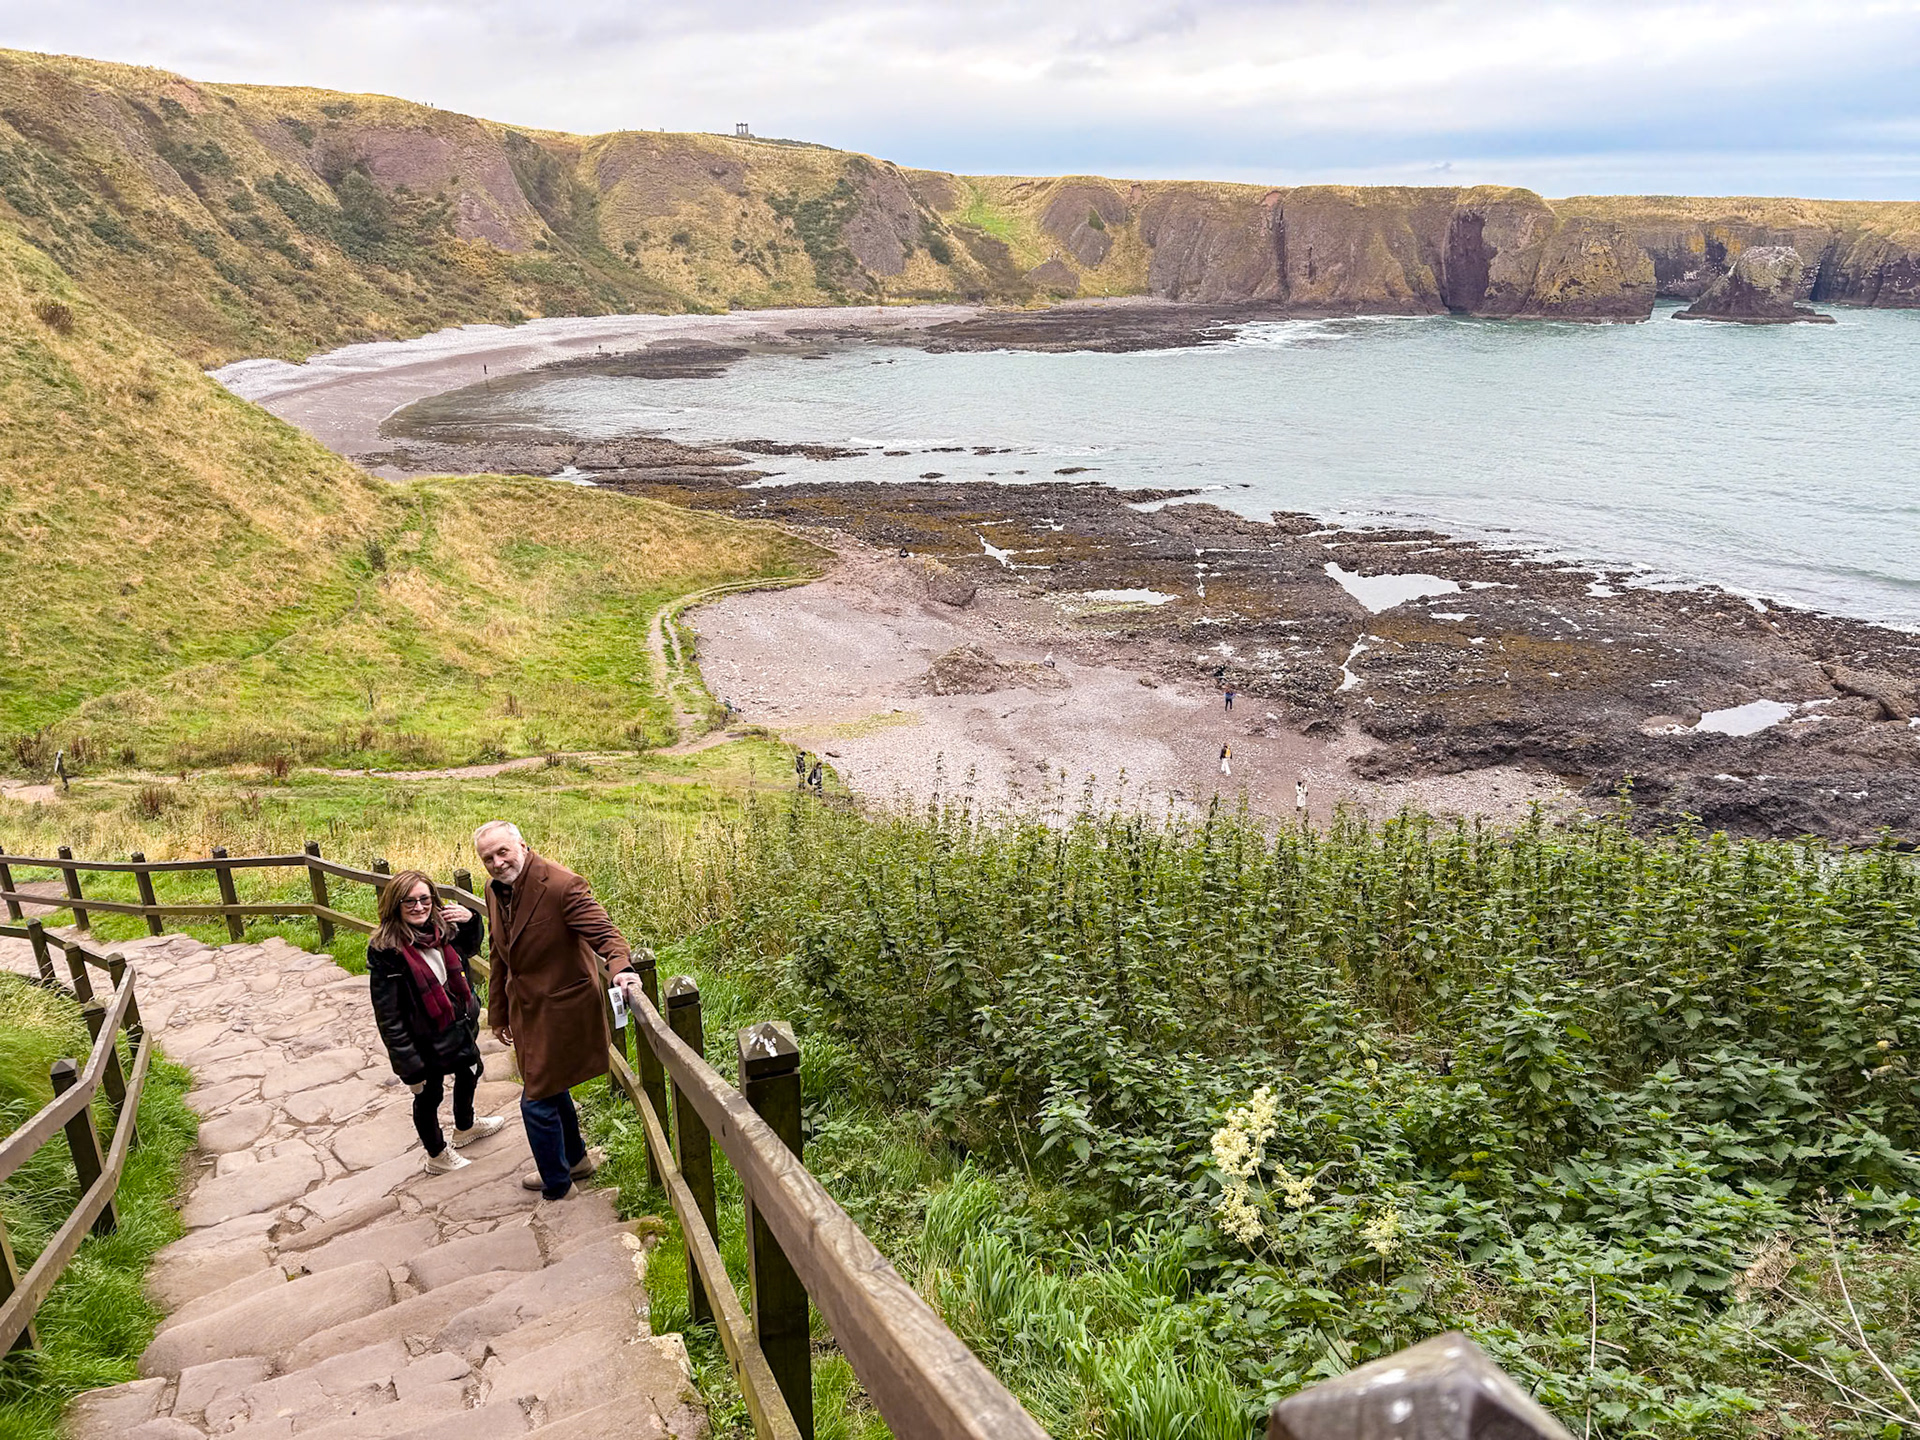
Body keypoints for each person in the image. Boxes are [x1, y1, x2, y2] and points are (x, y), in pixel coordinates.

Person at [474, 821, 636, 1202]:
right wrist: (498, 1012)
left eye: (503, 852)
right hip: (525, 1010)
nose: (497, 863)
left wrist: (622, 971)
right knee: (548, 1086)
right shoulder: (494, 890)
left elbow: (607, 935)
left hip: (562, 1008)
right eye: (488, 858)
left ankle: (557, 1186)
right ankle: (576, 1161)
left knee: (535, 1098)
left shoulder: (563, 885)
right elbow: (501, 954)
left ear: (522, 846)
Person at [367, 871, 502, 1174]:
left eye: (424, 899)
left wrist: (471, 920)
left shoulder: (442, 930)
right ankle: (437, 1154)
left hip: (457, 1025)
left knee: (471, 1071)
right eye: (409, 901)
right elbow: (388, 1016)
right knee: (429, 1094)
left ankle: (465, 1127)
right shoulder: (386, 950)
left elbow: (469, 948)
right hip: (422, 1038)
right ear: (395, 904)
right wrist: (408, 1066)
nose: (418, 906)